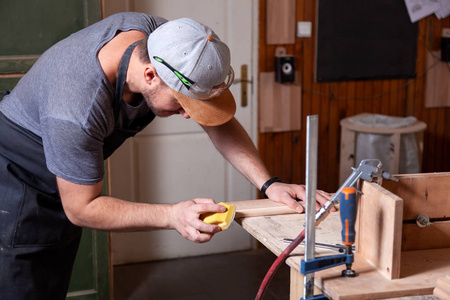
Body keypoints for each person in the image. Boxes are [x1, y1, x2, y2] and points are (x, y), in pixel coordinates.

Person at [0, 12, 330, 299]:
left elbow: (217, 123)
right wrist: (172, 216)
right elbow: (82, 208)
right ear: (150, 76)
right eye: (184, 104)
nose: (191, 115)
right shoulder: (76, 108)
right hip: (20, 186)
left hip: (65, 171)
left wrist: (269, 184)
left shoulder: (165, 40)